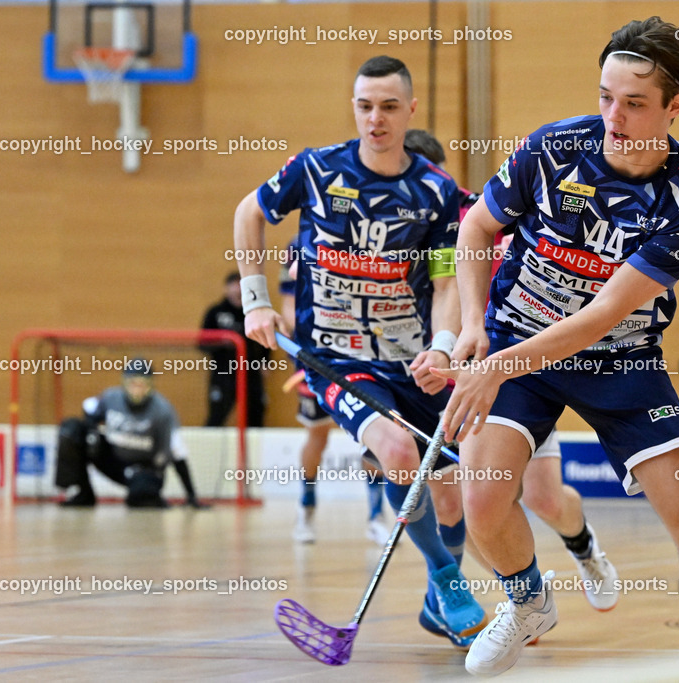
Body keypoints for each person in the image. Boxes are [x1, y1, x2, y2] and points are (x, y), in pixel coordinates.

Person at [432, 17, 679, 675]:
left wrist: (494, 366)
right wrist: (473, 326)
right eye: (605, 96)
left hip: (619, 359)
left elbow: (603, 315)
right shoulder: (550, 149)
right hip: (518, 337)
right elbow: (476, 229)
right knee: (483, 498)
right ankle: (529, 603)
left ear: (675, 107)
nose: (613, 117)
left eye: (634, 103)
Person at [233, 56, 487, 650]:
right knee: (397, 451)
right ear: (354, 107)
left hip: (413, 361)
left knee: (450, 495)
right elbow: (249, 212)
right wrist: (255, 301)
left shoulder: (435, 192)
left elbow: (446, 283)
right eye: (365, 106)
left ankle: (437, 606)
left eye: (389, 107)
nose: (376, 119)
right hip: (336, 360)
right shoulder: (317, 169)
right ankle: (448, 580)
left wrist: (443, 349)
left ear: (410, 110)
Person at [403, 128, 620, 612]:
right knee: (471, 503)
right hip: (456, 377)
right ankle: (524, 599)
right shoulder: (406, 232)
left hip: (520, 368)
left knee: (544, 498)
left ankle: (585, 548)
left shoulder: (485, 210)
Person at [279, 245, 389, 545]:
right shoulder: (297, 246)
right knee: (317, 435)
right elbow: (288, 306)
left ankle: (376, 517)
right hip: (317, 358)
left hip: (364, 356)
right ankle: (306, 508)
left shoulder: (369, 238)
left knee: (374, 435)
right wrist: (308, 349)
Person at [55, 359, 207, 509]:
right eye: (133, 384)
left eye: (142, 384)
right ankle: (83, 494)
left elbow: (178, 452)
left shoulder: (163, 411)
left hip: (144, 468)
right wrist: (91, 431)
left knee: (139, 498)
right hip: (113, 460)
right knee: (71, 429)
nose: (137, 390)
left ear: (151, 385)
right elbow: (89, 410)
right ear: (124, 383)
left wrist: (191, 496)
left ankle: (152, 497)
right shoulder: (111, 397)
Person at [201, 271, 271, 427]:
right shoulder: (215, 312)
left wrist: (265, 362)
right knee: (217, 415)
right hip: (223, 372)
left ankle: (251, 444)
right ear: (227, 289)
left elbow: (265, 340)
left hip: (250, 371)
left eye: (240, 290)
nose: (237, 293)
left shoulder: (254, 314)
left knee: (256, 415)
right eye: (233, 288)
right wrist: (221, 342)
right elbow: (202, 343)